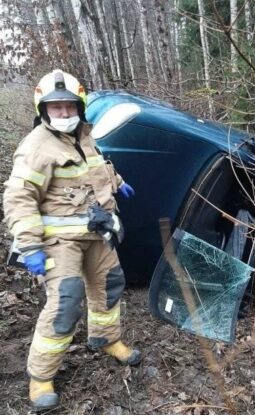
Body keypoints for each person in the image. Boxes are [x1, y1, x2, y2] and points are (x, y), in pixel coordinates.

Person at [2, 69, 140, 411]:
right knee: (65, 302)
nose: (64, 113)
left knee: (110, 284)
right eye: (56, 108)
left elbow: (95, 167)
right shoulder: (36, 147)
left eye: (69, 106)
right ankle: (41, 376)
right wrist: (30, 244)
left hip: (97, 232)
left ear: (79, 106)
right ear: (43, 110)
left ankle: (105, 339)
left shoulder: (84, 134)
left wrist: (116, 181)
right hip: (58, 241)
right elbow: (19, 198)